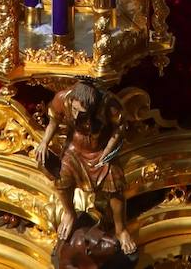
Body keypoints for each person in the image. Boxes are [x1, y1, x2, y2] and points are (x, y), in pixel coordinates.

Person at [35, 80, 136, 255]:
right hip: (74, 149)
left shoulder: (109, 105)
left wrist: (107, 152)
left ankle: (121, 229)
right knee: (62, 177)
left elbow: (119, 130)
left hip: (99, 150)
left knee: (115, 184)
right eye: (74, 110)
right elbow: (53, 122)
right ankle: (69, 213)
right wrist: (44, 142)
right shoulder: (62, 98)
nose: (75, 116)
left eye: (81, 113)